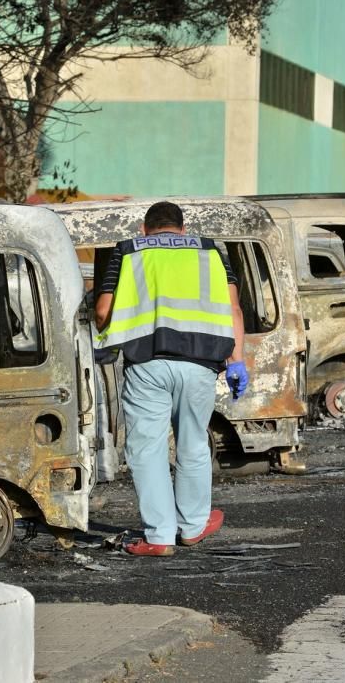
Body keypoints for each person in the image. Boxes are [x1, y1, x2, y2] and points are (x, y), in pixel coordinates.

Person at [95, 201, 248, 557]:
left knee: (147, 450)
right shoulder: (211, 251)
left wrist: (106, 339)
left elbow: (104, 309)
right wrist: (237, 360)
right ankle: (193, 526)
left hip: (147, 362)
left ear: (144, 227)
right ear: (183, 227)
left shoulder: (129, 251)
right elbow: (233, 307)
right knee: (193, 444)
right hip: (201, 364)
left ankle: (159, 536)